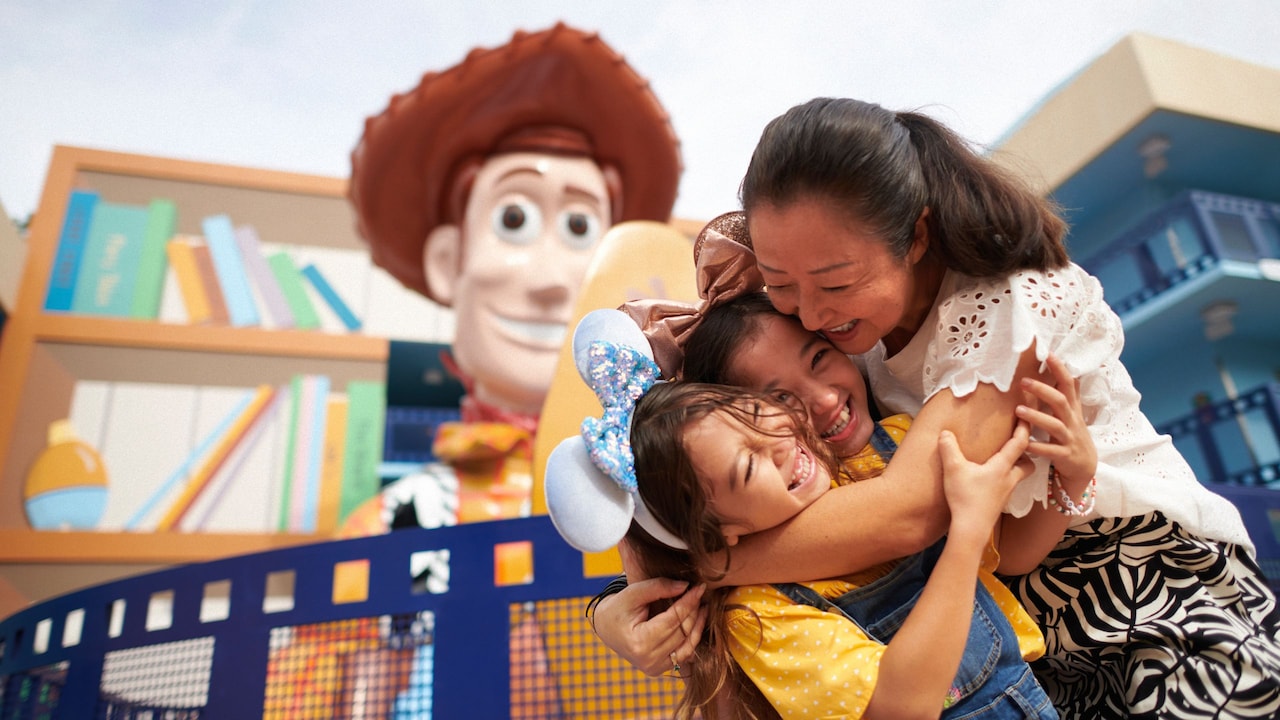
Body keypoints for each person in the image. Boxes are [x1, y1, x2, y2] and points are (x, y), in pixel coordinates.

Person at [600, 99, 1280, 718]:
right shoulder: (832, 334)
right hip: (1012, 629)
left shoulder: (1010, 303)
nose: (809, 313)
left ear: (916, 237)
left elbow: (910, 513)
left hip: (1144, 588)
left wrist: (693, 569)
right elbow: (666, 464)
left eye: (834, 283)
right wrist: (614, 607)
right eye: (781, 285)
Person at [546, 307, 1072, 719]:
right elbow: (901, 707)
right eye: (746, 468)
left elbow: (1014, 554)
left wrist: (1074, 476)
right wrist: (964, 537)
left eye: (756, 415)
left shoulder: (890, 448)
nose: (777, 440)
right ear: (718, 533)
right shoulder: (754, 614)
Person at [343, 22, 682, 530]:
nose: (552, 282)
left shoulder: (671, 499)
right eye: (514, 220)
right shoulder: (394, 527)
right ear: (446, 261)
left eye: (579, 226)